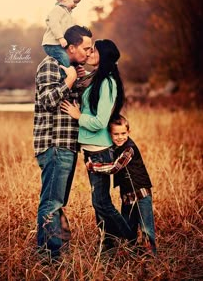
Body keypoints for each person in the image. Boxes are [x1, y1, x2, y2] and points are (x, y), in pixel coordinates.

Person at [61, 39, 135, 250]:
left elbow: (100, 122)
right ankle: (108, 246)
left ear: (103, 55)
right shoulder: (96, 79)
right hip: (92, 150)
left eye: (94, 50)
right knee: (99, 203)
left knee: (101, 202)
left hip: (100, 151)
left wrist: (78, 115)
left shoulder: (107, 82)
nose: (90, 53)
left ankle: (132, 240)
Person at [34, 25, 92, 261]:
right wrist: (68, 81)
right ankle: (49, 257)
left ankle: (53, 252)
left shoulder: (73, 69)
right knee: (51, 202)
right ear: (71, 46)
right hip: (54, 144)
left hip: (67, 145)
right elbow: (47, 100)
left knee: (58, 201)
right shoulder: (50, 64)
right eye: (86, 48)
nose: (89, 53)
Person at [86, 115, 157, 255]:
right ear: (110, 135)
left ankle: (151, 256)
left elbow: (114, 168)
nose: (120, 137)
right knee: (128, 225)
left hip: (141, 194)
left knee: (146, 227)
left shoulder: (129, 149)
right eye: (116, 134)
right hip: (127, 196)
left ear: (128, 132)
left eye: (123, 133)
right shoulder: (114, 148)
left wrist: (94, 166)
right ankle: (132, 252)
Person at [41, 0, 82, 68]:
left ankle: (71, 73)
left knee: (71, 60)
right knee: (65, 59)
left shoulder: (67, 13)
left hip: (60, 44)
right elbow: (54, 23)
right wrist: (60, 37)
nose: (76, 5)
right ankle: (65, 77)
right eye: (75, 1)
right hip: (52, 44)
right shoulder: (58, 9)